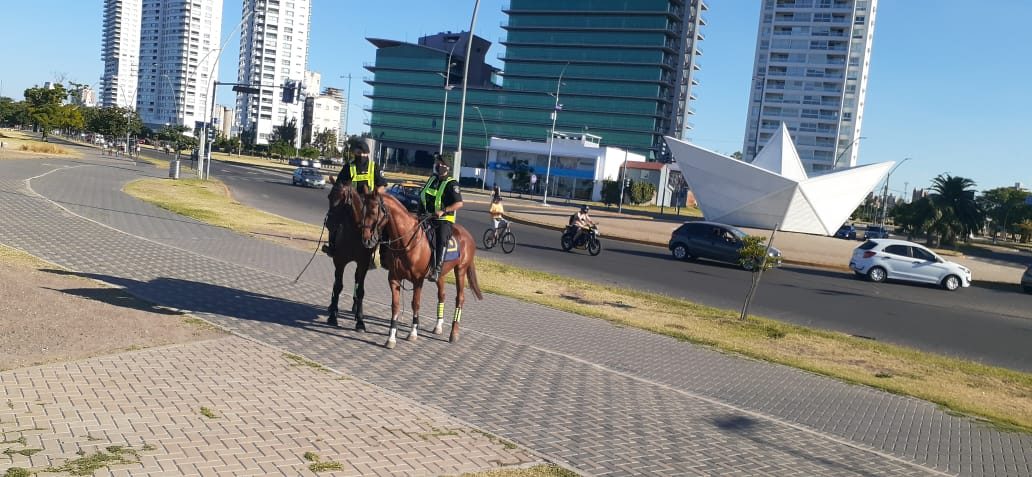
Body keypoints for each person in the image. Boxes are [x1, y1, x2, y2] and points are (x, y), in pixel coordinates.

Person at [323, 140, 386, 258]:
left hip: (370, 201)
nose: (361, 155)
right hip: (352, 200)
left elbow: (382, 186)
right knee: (335, 216)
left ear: (367, 153)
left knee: (385, 220)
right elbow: (340, 184)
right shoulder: (349, 167)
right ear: (354, 153)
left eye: (363, 153)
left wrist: (374, 195)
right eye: (358, 153)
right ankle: (332, 246)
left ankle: (383, 253)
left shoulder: (374, 167)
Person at [420, 153, 463, 281]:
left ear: (447, 167)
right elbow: (423, 196)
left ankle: (437, 270)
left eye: (440, 164)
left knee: (441, 238)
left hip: (444, 220)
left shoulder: (452, 184)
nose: (437, 165)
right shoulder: (432, 179)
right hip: (427, 217)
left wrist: (443, 211)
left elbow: (459, 203)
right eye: (436, 163)